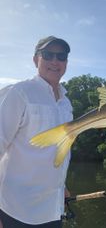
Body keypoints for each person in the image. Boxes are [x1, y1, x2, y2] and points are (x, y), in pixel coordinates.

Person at [0, 36, 73, 228]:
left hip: (53, 210)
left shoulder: (67, 103)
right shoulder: (19, 92)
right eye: (48, 55)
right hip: (14, 210)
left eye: (61, 56)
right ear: (35, 60)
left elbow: (58, 152)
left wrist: (62, 186)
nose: (55, 61)